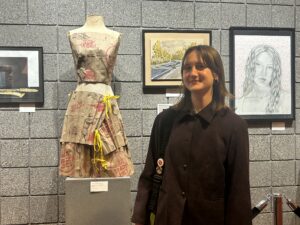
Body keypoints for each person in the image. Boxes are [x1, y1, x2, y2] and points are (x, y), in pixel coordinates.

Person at [132, 45, 252, 225]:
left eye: (200, 66)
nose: (192, 72)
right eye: (187, 68)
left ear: (216, 74)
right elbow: (149, 174)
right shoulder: (164, 121)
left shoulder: (234, 126)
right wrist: (140, 219)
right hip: (167, 217)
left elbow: (239, 190)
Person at [59, 15, 134, 177]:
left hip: (105, 98)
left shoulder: (114, 36)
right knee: (79, 154)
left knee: (112, 149)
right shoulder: (73, 35)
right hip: (81, 102)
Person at [236, 45, 290, 114]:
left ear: (275, 72)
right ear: (250, 66)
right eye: (258, 65)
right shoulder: (240, 103)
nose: (263, 72)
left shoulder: (286, 99)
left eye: (270, 67)